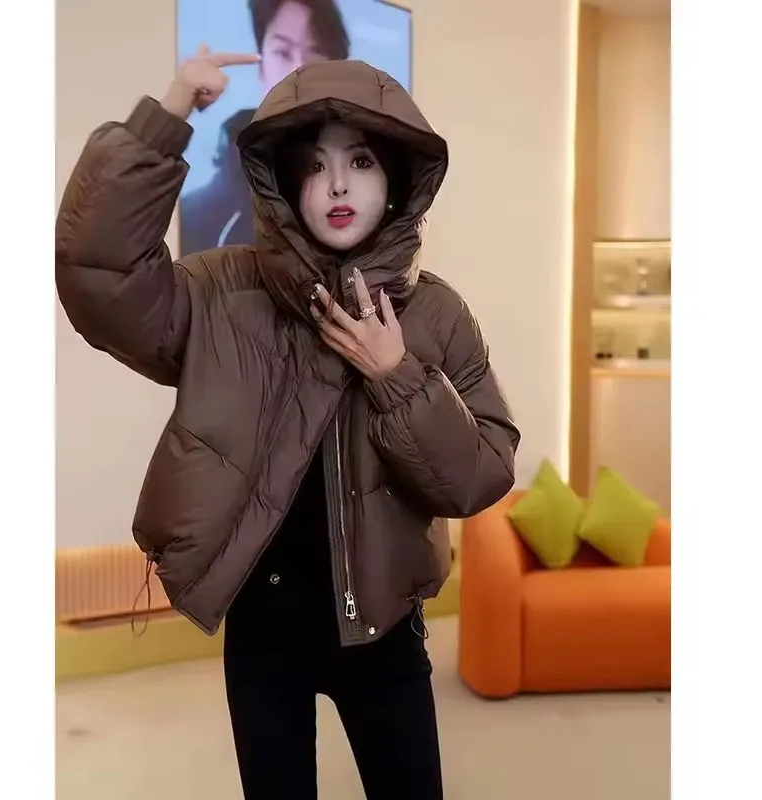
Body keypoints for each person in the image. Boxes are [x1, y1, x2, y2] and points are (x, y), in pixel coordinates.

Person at [56, 46, 520, 800]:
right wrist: (166, 118)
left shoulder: (436, 313)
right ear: (281, 183)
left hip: (386, 632)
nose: (337, 184)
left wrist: (395, 375)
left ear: (398, 181)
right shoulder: (221, 291)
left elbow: (481, 475)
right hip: (262, 631)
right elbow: (98, 275)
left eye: (361, 161)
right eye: (313, 165)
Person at [179, 0, 350, 254]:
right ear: (261, 68)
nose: (297, 70)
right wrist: (174, 109)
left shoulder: (366, 194)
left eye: (315, 53)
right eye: (283, 52)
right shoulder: (200, 215)